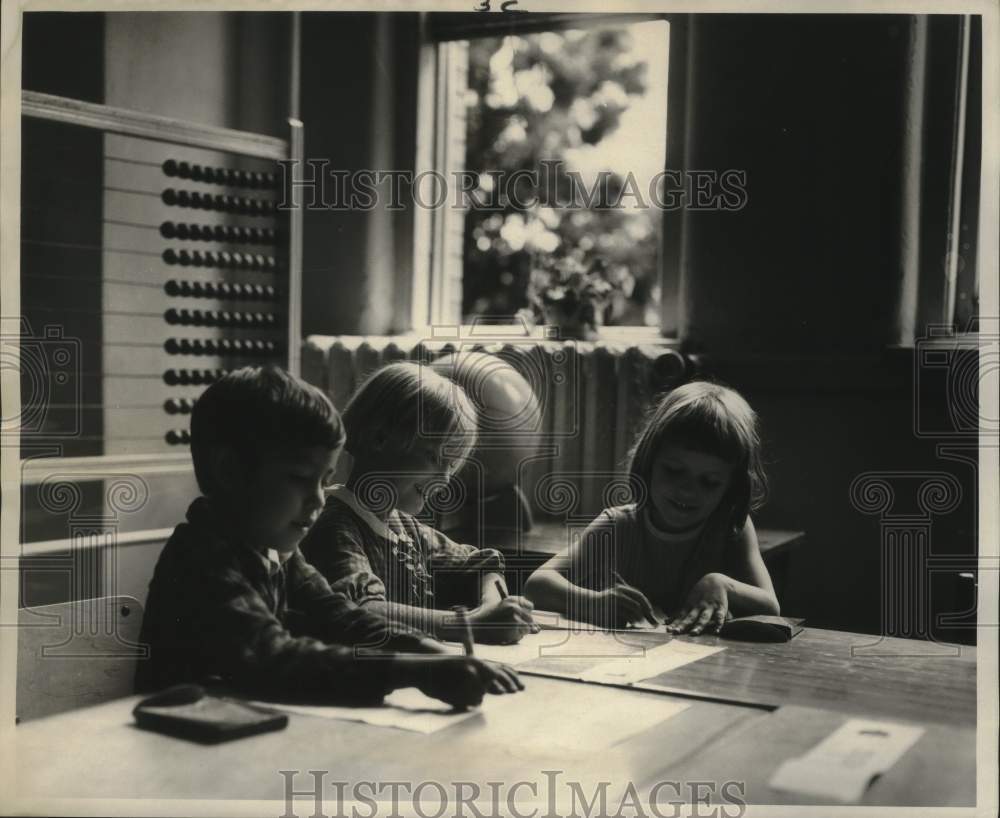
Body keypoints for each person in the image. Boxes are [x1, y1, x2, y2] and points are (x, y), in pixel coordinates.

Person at [136, 366, 522, 708]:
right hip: (179, 753)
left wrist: (431, 651)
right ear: (230, 472)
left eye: (324, 480)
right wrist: (415, 671)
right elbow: (275, 657)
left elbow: (343, 616)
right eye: (301, 479)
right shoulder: (204, 558)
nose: (319, 499)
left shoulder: (276, 554)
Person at [301, 362, 536, 644]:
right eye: (435, 458)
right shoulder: (335, 524)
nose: (446, 478)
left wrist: (492, 608)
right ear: (379, 438)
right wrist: (470, 624)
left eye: (452, 465)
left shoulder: (406, 528)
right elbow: (364, 610)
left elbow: (482, 564)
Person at [524, 381, 780, 635]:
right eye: (674, 471)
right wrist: (593, 603)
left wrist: (722, 584)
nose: (688, 490)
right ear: (649, 461)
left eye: (709, 482)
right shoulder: (619, 526)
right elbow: (536, 584)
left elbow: (771, 607)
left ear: (731, 487)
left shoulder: (732, 528)